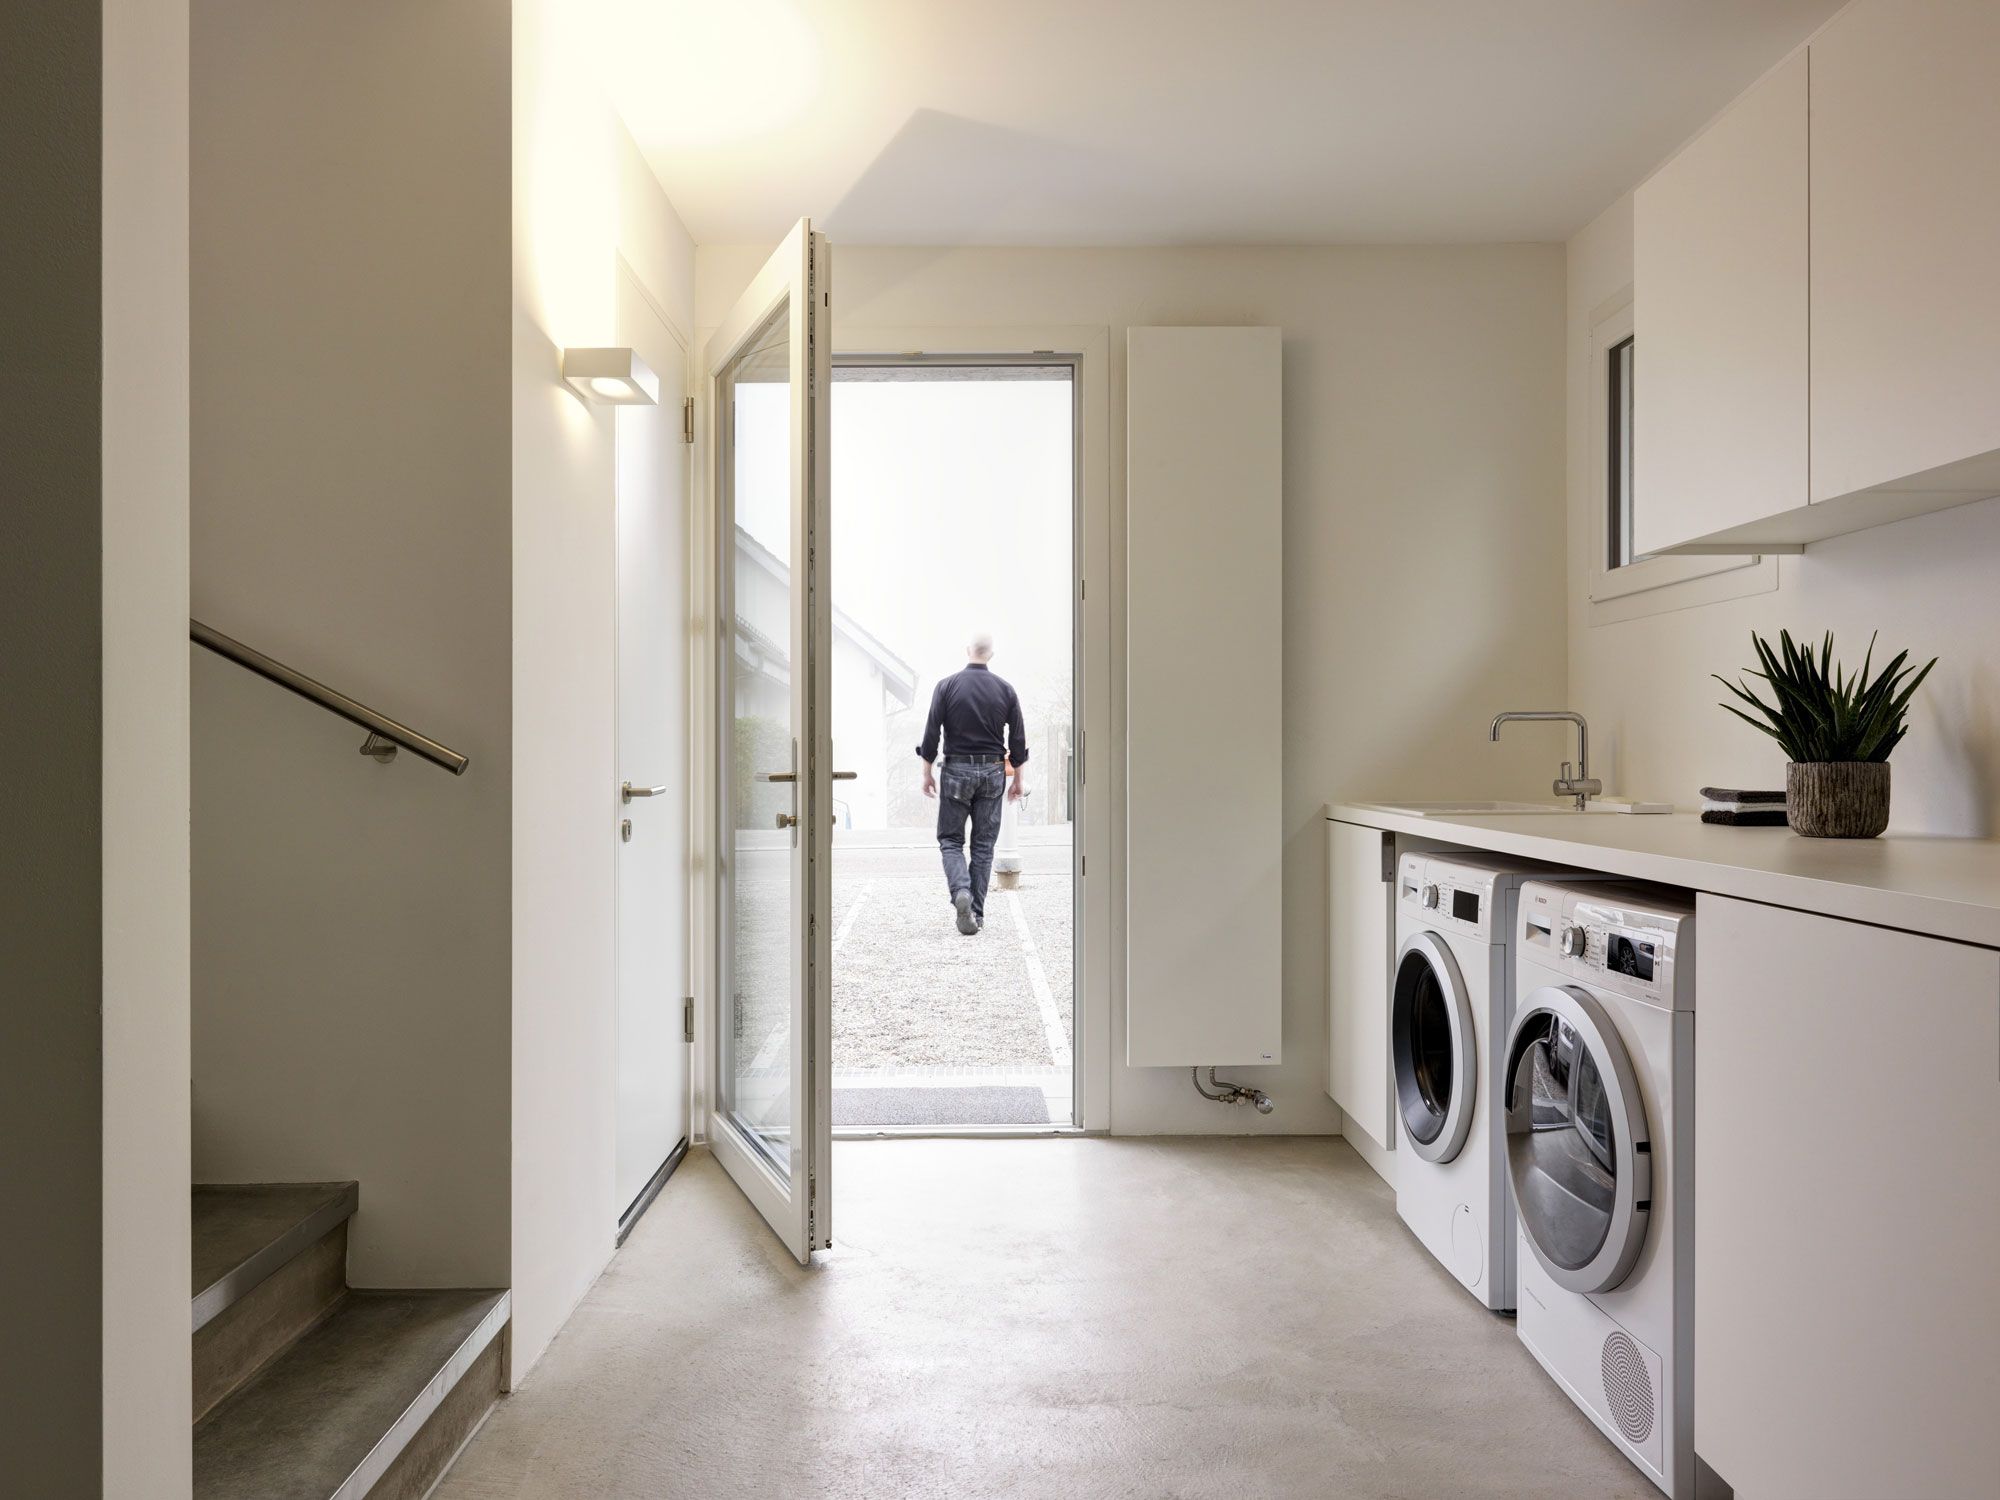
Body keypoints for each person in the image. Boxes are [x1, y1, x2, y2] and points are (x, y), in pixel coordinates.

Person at [918, 633, 1028, 935]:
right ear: (991, 654)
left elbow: (931, 733)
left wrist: (927, 772)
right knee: (983, 845)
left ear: (968, 651)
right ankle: (976, 913)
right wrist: (1018, 780)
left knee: (951, 840)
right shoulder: (1005, 689)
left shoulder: (946, 686)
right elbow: (1018, 739)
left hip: (956, 770)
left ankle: (961, 892)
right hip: (992, 770)